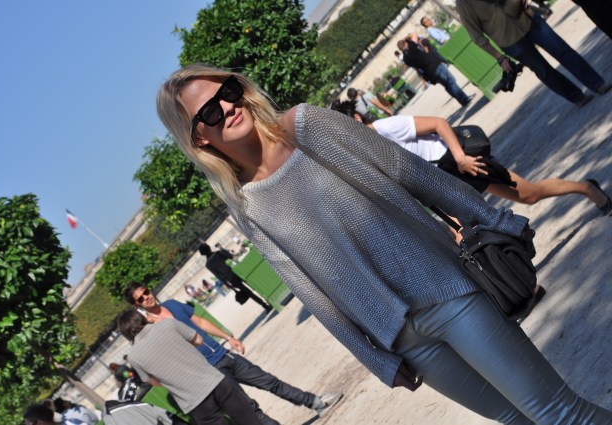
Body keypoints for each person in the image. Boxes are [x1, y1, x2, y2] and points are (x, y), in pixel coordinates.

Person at [155, 63, 612, 423]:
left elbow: (410, 172)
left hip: (447, 290)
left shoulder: (307, 126)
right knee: (516, 420)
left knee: (557, 413)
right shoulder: (244, 205)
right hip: (403, 341)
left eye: (228, 91)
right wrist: (375, 359)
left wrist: (495, 219)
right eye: (209, 112)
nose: (227, 107)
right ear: (198, 138)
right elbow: (309, 289)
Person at [331, 99, 612, 217]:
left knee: (529, 195)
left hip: (459, 164)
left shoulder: (385, 127)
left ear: (356, 118)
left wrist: (461, 157)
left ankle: (586, 187)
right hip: (439, 182)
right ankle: (521, 288)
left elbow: (439, 123)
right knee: (464, 232)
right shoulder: (368, 148)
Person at [124, 282, 343, 424]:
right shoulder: (151, 328)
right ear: (136, 305)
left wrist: (228, 337)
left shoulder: (172, 304)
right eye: (140, 299)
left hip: (221, 354)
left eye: (146, 292)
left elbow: (199, 322)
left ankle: (314, 402)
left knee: (268, 380)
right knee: (249, 408)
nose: (147, 298)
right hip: (208, 373)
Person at [118, 309, 261, 425]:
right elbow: (198, 340)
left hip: (192, 401)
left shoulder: (133, 357)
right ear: (142, 318)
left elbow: (155, 383)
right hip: (214, 380)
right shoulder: (168, 324)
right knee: (250, 420)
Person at [456, 0, 610, 106]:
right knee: (544, 71)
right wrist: (500, 58)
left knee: (563, 50)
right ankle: (577, 97)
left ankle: (597, 84)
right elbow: (477, 37)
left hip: (529, 20)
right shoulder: (463, 4)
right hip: (510, 42)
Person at [397, 35, 473, 106]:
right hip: (435, 65)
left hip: (429, 72)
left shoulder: (405, 59)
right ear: (405, 44)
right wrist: (406, 38)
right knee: (451, 81)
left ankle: (462, 101)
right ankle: (465, 99)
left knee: (447, 85)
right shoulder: (411, 48)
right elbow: (414, 34)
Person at [198, 242, 272, 311]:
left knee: (248, 292)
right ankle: (270, 299)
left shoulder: (208, 265)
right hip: (238, 271)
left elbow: (218, 275)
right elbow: (231, 257)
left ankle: (265, 305)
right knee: (255, 285)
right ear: (209, 248)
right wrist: (222, 249)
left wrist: (227, 284)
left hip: (231, 279)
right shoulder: (218, 253)